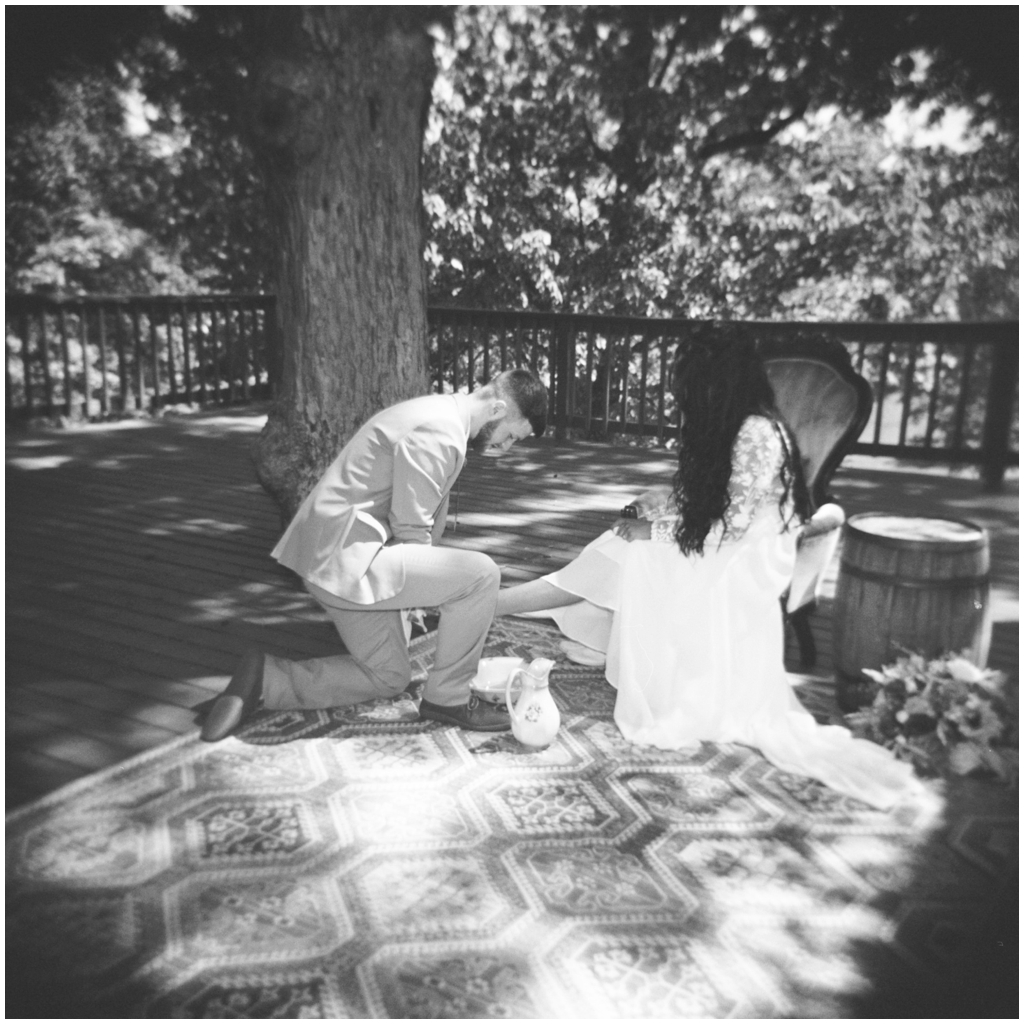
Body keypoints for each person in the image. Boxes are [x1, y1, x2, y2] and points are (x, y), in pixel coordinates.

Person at [494, 335, 918, 810]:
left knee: (635, 552)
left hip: (753, 555)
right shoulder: (735, 426)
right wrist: (652, 510)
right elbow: (709, 501)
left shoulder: (757, 433)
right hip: (726, 537)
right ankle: (595, 633)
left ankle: (536, 615)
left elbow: (735, 528)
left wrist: (654, 535)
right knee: (619, 543)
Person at [202, 368, 548, 742]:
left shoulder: (441, 413)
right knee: (481, 574)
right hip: (348, 559)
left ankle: (266, 678)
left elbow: (418, 527)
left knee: (388, 677)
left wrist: (416, 594)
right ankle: (449, 697)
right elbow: (413, 530)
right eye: (511, 436)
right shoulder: (440, 429)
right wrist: (418, 596)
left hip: (334, 562)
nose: (506, 447)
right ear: (497, 409)